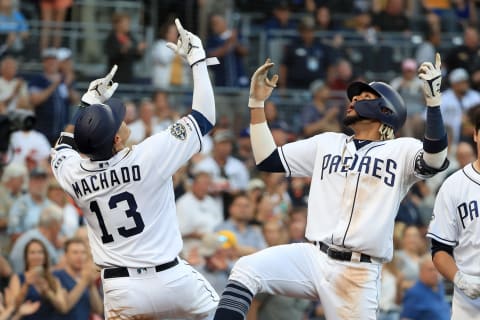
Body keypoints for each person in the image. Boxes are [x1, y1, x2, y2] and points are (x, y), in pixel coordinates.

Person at [213, 53, 449, 320]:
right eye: (355, 96)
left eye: (364, 98)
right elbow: (268, 159)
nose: (354, 100)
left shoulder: (401, 149)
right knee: (246, 269)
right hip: (313, 256)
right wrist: (256, 103)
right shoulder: (328, 142)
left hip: (358, 273)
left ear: (386, 111)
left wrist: (433, 104)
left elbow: (435, 159)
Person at [50, 19, 220, 319]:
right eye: (118, 119)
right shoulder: (148, 156)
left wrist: (87, 106)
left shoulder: (72, 174)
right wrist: (197, 60)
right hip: (172, 278)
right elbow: (204, 116)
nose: (123, 117)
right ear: (116, 138)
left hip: (121, 288)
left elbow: (62, 148)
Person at [426, 109, 480, 319]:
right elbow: (440, 249)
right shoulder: (454, 186)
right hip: (471, 300)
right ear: (475, 135)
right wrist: (459, 280)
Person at [9, 239, 67, 319]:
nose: (36, 256)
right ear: (26, 256)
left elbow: (63, 308)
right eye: (32, 252)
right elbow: (13, 307)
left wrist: (47, 292)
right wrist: (26, 285)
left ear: (45, 256)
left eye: (40, 252)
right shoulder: (17, 278)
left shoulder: (53, 279)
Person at [52, 238, 103, 320]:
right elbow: (64, 307)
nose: (80, 256)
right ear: (66, 255)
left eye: (83, 252)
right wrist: (83, 282)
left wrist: (91, 286)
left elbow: (98, 310)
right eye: (75, 252)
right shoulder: (56, 276)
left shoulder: (86, 277)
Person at [399, 255, 450, 320]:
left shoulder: (440, 287)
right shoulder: (414, 293)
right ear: (421, 271)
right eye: (430, 270)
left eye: (437, 269)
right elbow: (406, 318)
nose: (435, 273)